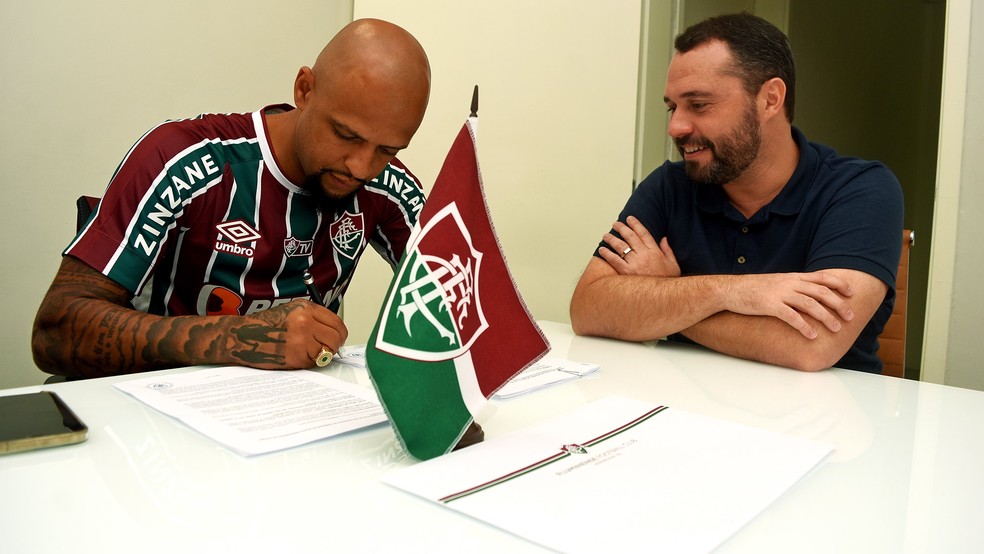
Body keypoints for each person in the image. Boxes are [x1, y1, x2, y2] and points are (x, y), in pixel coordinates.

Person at [32, 18, 431, 379]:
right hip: (154, 419)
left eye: (388, 150)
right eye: (346, 135)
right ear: (305, 90)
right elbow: (56, 331)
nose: (361, 167)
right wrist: (237, 338)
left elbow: (464, 306)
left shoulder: (385, 185)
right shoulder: (183, 159)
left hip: (294, 422)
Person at [569, 12, 903, 373]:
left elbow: (810, 346)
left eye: (698, 105)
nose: (675, 127)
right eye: (672, 107)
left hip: (815, 420)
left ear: (770, 100)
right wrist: (727, 292)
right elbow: (588, 307)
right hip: (682, 411)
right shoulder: (669, 187)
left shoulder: (860, 190)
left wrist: (667, 293)